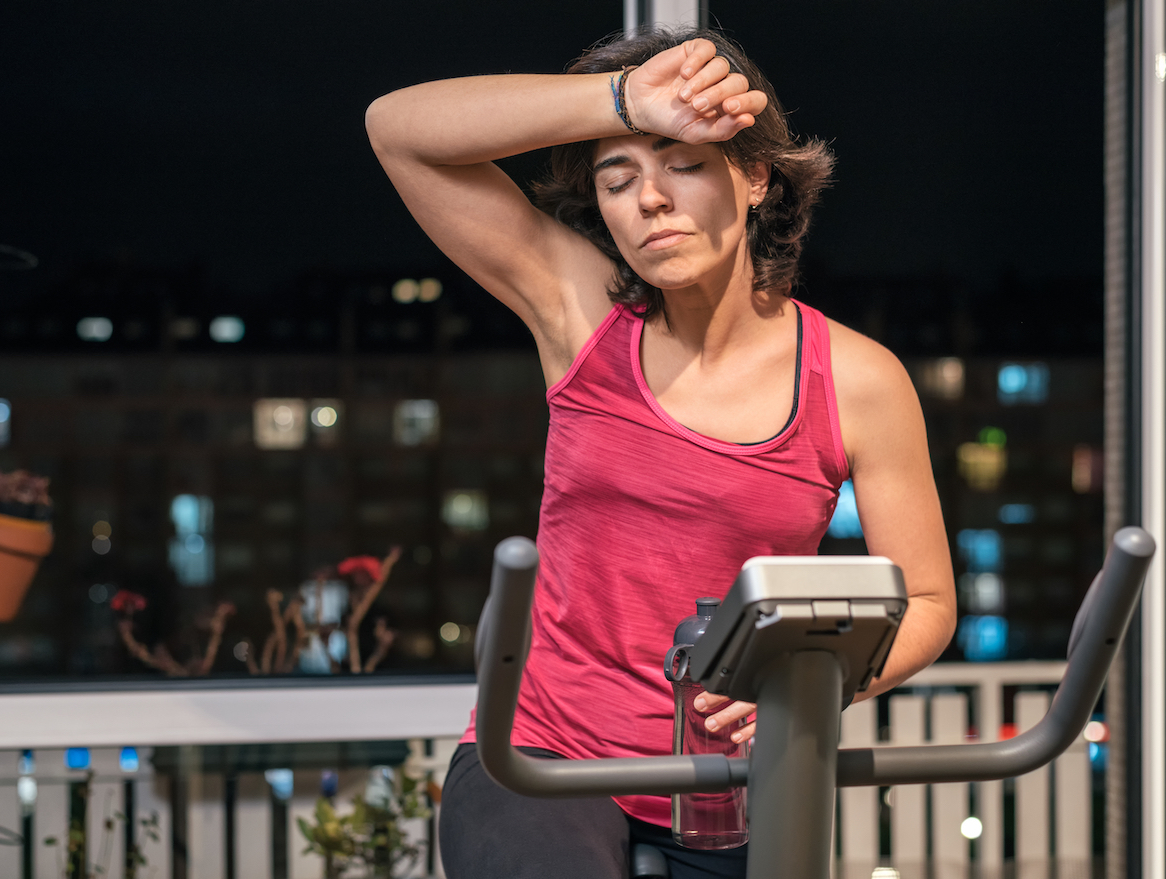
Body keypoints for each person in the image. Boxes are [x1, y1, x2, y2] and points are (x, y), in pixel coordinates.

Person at [366, 27, 956, 879]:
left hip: (731, 782)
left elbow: (929, 599)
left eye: (681, 161)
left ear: (755, 177)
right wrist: (624, 100)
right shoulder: (582, 317)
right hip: (549, 759)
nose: (649, 199)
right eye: (618, 177)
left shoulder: (857, 380)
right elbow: (398, 129)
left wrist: (821, 687)